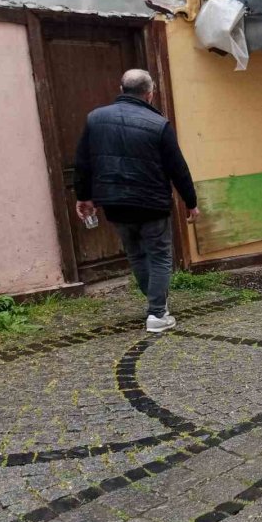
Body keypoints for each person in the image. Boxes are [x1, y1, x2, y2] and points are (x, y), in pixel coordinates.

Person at [74, 69, 199, 333]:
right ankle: (157, 313)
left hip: (115, 202)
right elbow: (178, 168)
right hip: (151, 202)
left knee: (136, 254)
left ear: (121, 89)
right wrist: (191, 201)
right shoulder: (159, 124)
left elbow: (83, 162)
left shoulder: (95, 119)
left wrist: (84, 197)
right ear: (150, 93)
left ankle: (157, 303)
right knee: (160, 256)